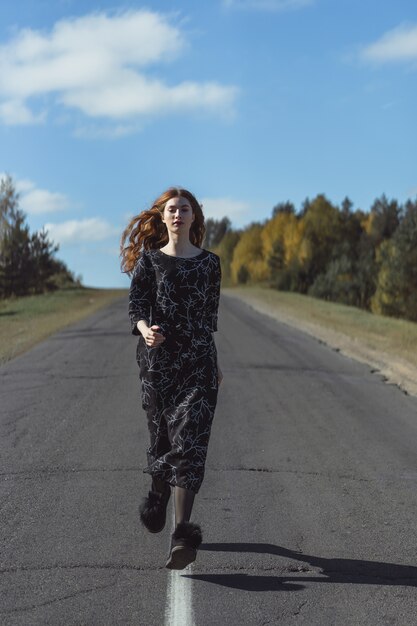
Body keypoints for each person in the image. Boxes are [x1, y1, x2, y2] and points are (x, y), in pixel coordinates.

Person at [120, 187, 223, 570]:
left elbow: (209, 322)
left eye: (185, 209)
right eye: (171, 210)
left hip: (198, 362)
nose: (178, 214)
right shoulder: (149, 263)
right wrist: (146, 330)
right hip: (158, 364)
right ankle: (157, 493)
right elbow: (136, 307)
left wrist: (216, 364)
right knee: (163, 439)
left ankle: (182, 535)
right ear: (162, 218)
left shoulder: (211, 265)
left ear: (195, 217)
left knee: (190, 441)